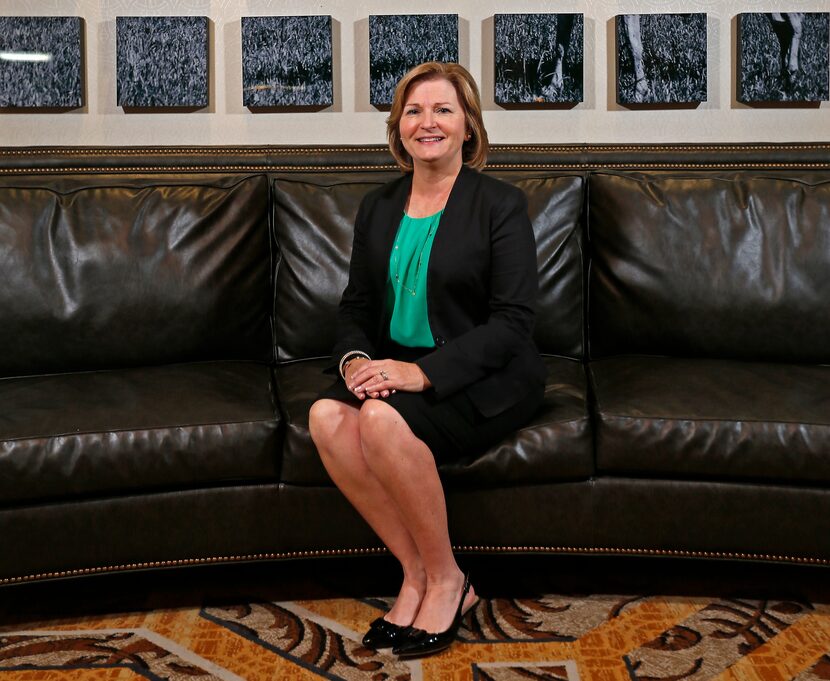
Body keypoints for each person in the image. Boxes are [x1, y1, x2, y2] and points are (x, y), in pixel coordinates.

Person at [308, 61, 545, 659]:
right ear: (398, 128)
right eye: (413, 110)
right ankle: (416, 573)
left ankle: (447, 580)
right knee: (326, 418)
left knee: (381, 421)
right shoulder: (379, 206)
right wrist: (357, 361)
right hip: (398, 365)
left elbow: (514, 323)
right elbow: (356, 305)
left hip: (487, 374)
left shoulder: (500, 204)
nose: (427, 121)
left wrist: (421, 373)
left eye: (443, 109)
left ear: (468, 127)